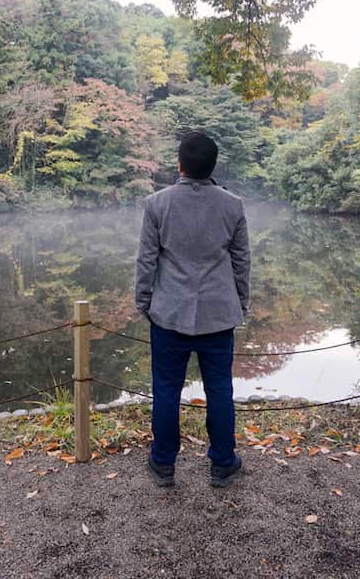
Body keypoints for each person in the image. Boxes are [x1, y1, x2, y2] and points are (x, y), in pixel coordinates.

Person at [134, 131, 250, 488]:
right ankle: (222, 463)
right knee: (220, 389)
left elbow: (146, 260)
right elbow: (241, 262)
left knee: (166, 389)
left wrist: (144, 302)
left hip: (169, 313)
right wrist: (239, 303)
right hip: (218, 315)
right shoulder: (233, 205)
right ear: (213, 165)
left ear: (180, 164)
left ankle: (164, 463)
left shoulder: (158, 204)